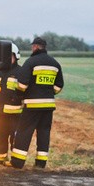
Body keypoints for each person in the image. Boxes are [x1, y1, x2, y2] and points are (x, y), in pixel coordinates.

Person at [9, 37, 64, 169]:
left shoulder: (31, 62)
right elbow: (59, 86)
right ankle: (40, 163)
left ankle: (17, 162)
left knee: (24, 131)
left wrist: (20, 94)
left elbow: (22, 85)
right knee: (44, 132)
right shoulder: (55, 64)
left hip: (32, 105)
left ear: (35, 47)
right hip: (48, 106)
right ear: (44, 47)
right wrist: (47, 93)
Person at [0, 43, 23, 164]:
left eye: (10, 56)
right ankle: (0, 159)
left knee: (15, 138)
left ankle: (15, 161)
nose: (7, 60)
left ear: (16, 57)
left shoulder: (21, 72)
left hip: (15, 114)